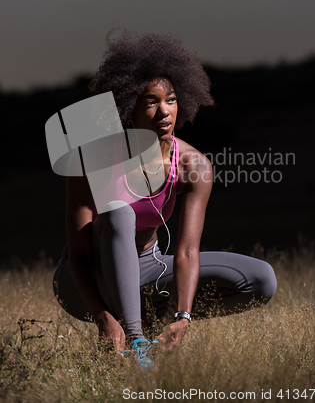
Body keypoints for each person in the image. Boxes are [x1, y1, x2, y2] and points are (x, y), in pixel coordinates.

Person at [53, 31, 277, 364]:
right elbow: (80, 256)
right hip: (86, 279)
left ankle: (144, 324)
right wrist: (102, 317)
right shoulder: (89, 160)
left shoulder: (193, 165)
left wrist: (183, 316)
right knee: (119, 213)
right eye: (150, 102)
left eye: (170, 99)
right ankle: (135, 341)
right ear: (127, 106)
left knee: (262, 279)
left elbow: (187, 250)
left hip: (149, 268)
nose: (164, 112)